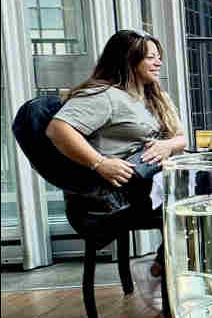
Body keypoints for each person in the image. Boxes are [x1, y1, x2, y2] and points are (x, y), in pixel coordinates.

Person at [46, 30, 187, 274]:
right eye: (150, 57)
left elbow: (182, 139)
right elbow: (57, 130)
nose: (159, 62)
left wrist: (167, 146)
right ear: (129, 60)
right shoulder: (104, 95)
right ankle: (185, 272)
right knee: (201, 200)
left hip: (154, 182)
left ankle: (172, 265)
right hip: (122, 196)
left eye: (158, 56)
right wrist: (99, 163)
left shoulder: (155, 96)